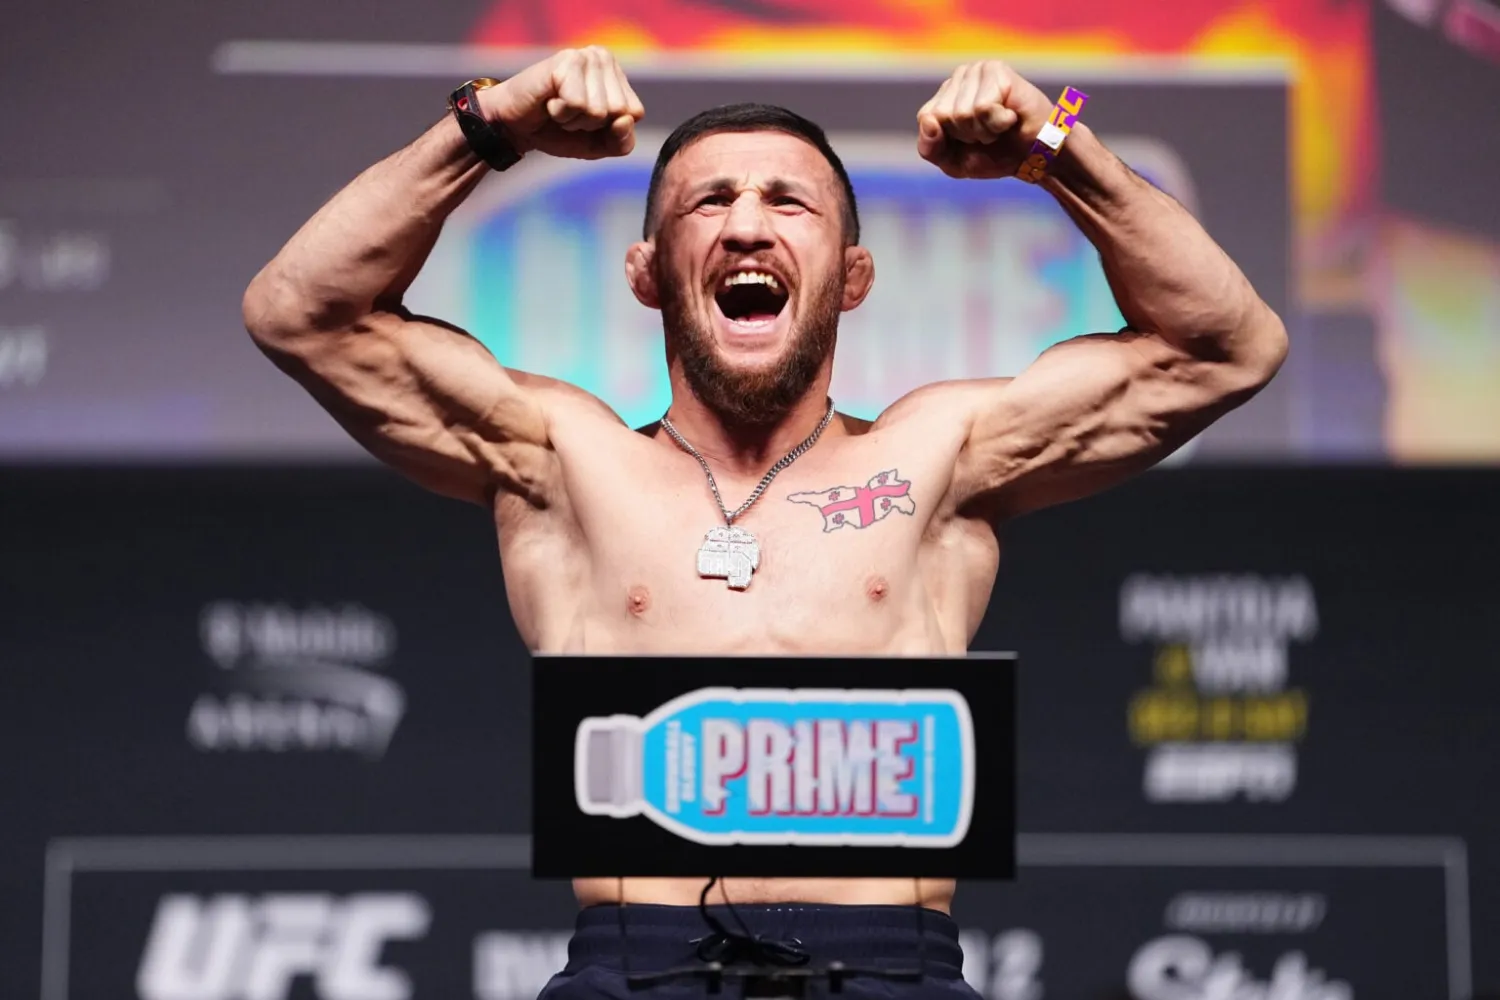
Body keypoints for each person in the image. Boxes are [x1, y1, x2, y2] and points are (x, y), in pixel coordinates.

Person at [243, 46, 1287, 998]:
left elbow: (1227, 348)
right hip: (637, 967)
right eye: (710, 202)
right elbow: (298, 313)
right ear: (648, 273)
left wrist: (1055, 148)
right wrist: (494, 125)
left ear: (853, 276)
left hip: (891, 966)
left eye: (789, 201)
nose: (747, 225)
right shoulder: (563, 461)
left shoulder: (940, 458)